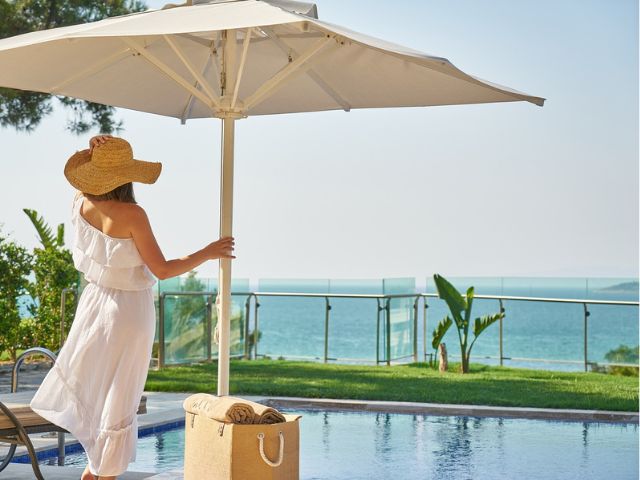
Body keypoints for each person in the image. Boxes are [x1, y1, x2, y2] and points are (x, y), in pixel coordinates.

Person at [29, 135, 235, 480]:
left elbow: (81, 183)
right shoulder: (133, 214)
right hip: (129, 312)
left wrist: (91, 153)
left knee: (97, 389)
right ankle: (104, 471)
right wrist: (208, 251)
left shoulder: (80, 203)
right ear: (127, 176)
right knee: (120, 396)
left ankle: (95, 470)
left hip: (94, 306)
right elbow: (163, 269)